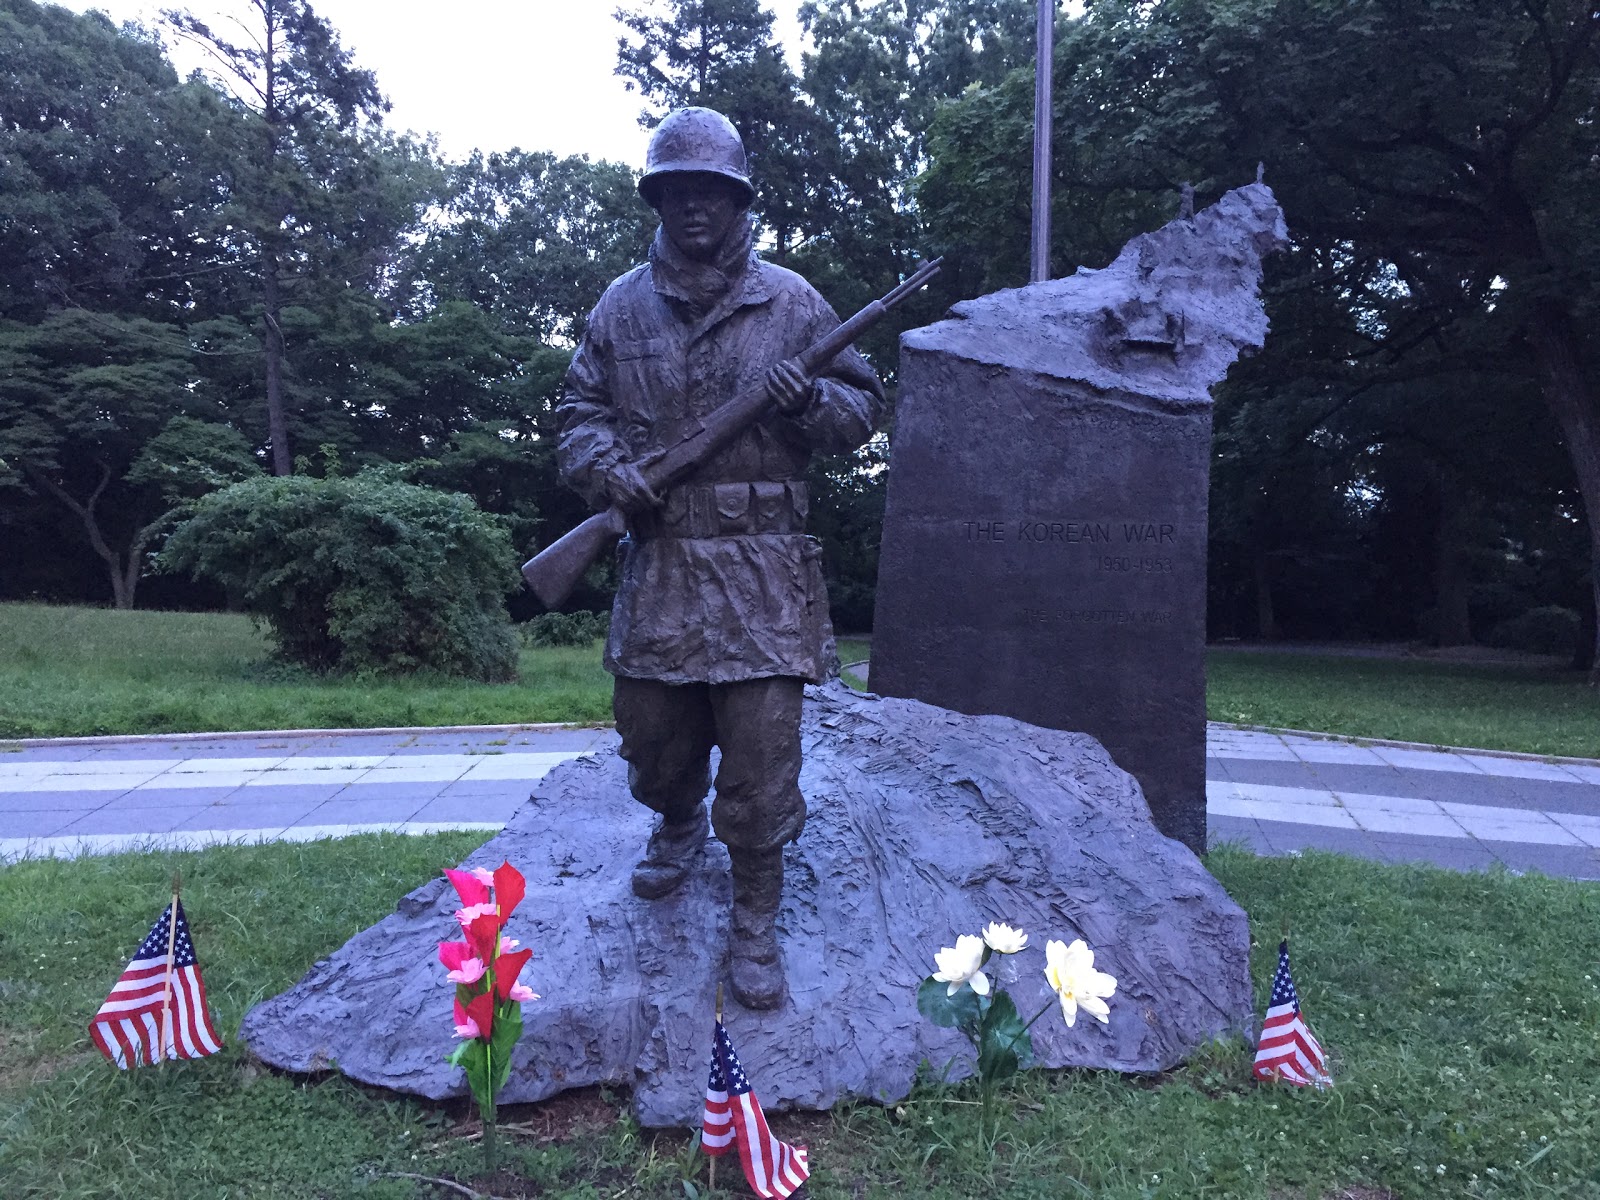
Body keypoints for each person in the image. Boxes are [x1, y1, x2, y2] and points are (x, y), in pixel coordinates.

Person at [556, 107, 884, 1010]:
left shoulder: (793, 301)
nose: (694, 205)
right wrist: (608, 470)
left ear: (739, 198)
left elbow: (861, 412)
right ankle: (675, 819)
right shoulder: (620, 306)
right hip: (661, 563)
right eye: (675, 189)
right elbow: (577, 413)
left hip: (764, 571)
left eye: (712, 190)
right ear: (656, 195)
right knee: (655, 744)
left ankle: (754, 913)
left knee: (763, 753)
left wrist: (809, 399)